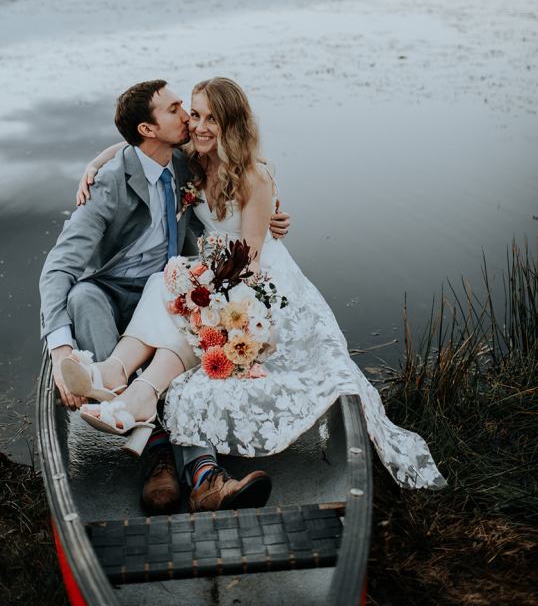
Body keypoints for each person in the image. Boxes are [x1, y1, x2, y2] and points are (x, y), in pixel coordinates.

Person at [68, 77, 446, 513]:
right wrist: (93, 164)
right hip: (217, 270)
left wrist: (205, 292)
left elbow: (248, 262)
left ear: (233, 123)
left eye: (213, 118)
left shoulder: (254, 175)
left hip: (254, 280)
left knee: (176, 292)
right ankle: (120, 377)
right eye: (195, 114)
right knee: (165, 282)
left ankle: (129, 384)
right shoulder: (191, 160)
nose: (200, 125)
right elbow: (135, 150)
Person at [39, 78, 290, 515]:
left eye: (187, 110)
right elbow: (59, 266)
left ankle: (200, 475)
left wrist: (268, 214)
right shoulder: (108, 184)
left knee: (188, 308)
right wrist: (60, 351)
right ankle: (151, 442)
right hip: (113, 288)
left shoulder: (183, 162)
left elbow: (243, 173)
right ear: (147, 130)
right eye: (178, 110)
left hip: (167, 282)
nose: (189, 120)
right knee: (81, 295)